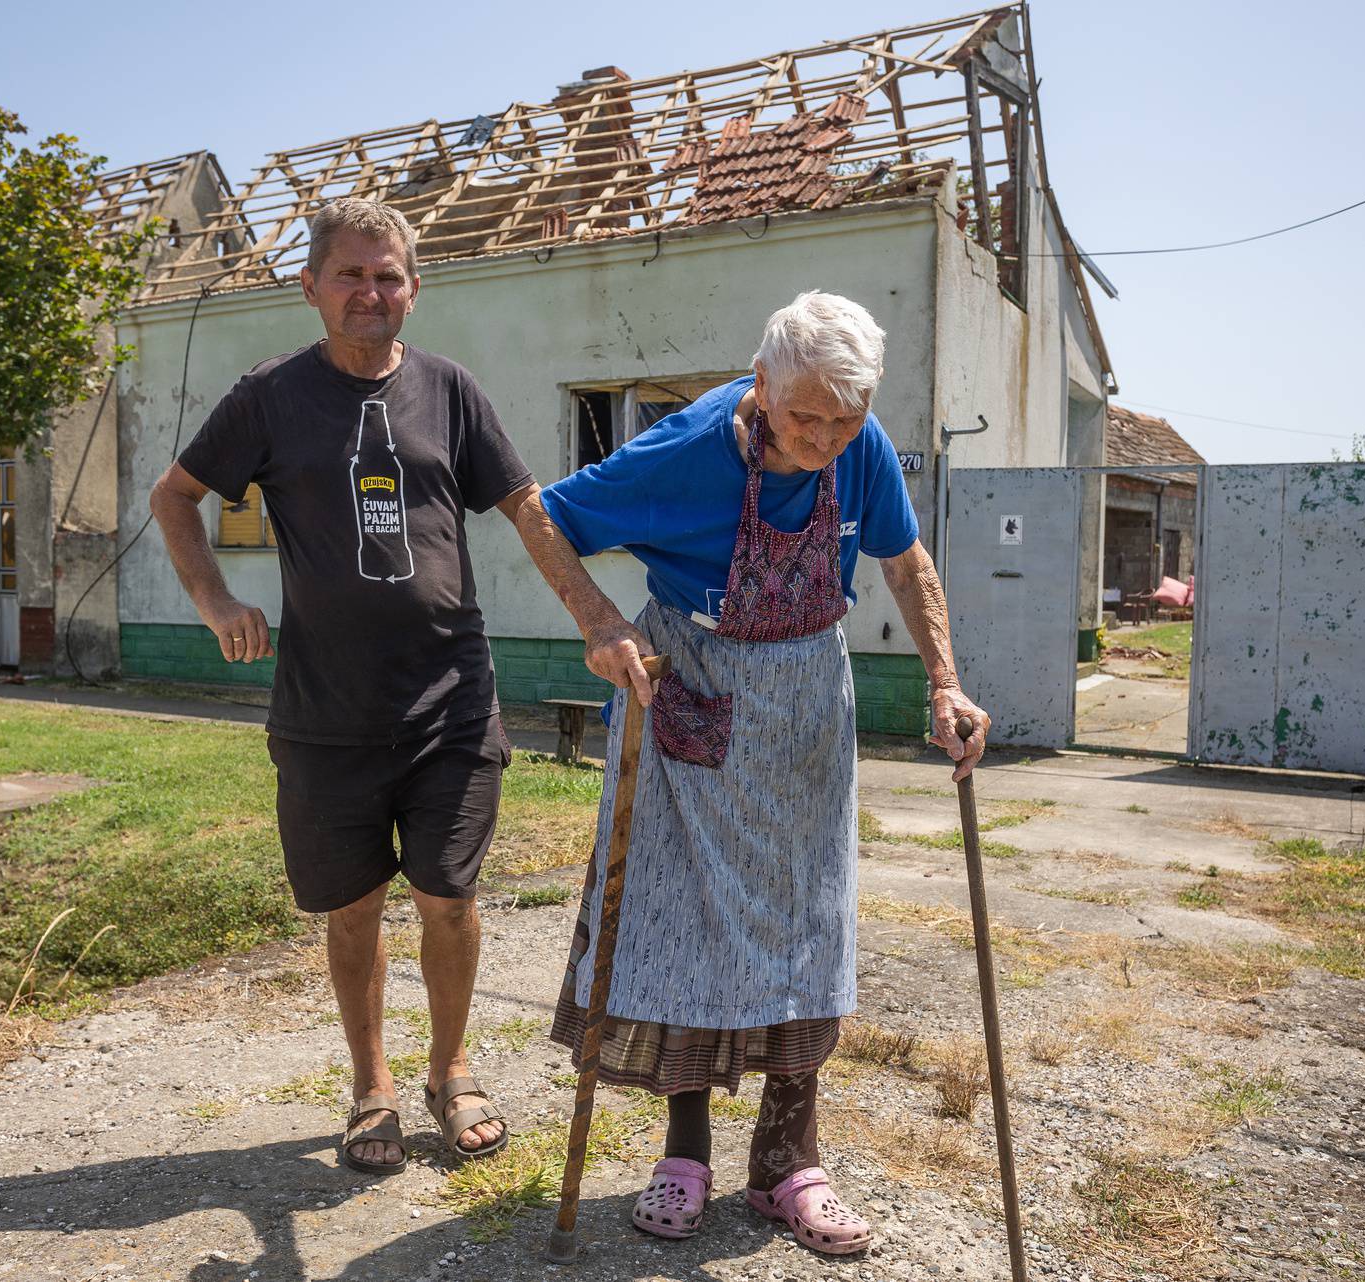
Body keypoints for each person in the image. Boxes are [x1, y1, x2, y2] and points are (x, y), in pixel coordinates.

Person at [516, 291, 990, 1255]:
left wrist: (945, 683)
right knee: (686, 920)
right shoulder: (685, 449)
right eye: (803, 415)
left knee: (806, 924)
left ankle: (787, 1167)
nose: (823, 438)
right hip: (690, 687)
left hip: (809, 699)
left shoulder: (858, 440)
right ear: (760, 383)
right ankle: (683, 1157)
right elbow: (542, 515)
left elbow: (905, 563)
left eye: (843, 419)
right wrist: (600, 624)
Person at [148, 199, 536, 1174]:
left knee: (448, 896)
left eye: (389, 275)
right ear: (313, 286)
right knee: (353, 908)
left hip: (451, 698)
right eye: (352, 275)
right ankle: (373, 1086)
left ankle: (451, 1069)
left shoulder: (451, 392)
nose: (372, 292)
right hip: (327, 714)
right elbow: (175, 496)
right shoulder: (271, 396)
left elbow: (527, 505)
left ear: (415, 286)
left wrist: (602, 608)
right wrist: (213, 598)